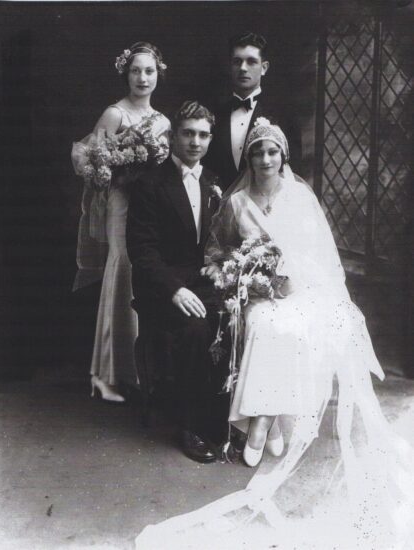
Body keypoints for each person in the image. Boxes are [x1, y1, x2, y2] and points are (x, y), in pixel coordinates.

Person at [135, 118, 414, 549]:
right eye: (257, 153)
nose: (264, 159)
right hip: (257, 296)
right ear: (248, 159)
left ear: (283, 157)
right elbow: (217, 251)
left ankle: (264, 423)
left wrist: (292, 280)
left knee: (295, 325)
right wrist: (243, 276)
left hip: (299, 291)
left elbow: (319, 257)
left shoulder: (301, 198)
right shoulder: (236, 202)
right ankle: (265, 423)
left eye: (272, 152)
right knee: (266, 325)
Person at [71, 43, 170, 402]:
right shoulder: (115, 113)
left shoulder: (163, 122)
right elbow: (90, 160)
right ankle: (105, 374)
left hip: (150, 209)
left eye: (149, 71)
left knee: (144, 277)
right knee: (121, 271)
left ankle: (140, 370)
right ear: (125, 73)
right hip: (121, 203)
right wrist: (118, 166)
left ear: (158, 74)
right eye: (135, 71)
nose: (142, 78)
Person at [126, 101, 223, 463]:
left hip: (202, 282)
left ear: (210, 139)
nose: (195, 141)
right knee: (196, 330)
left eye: (202, 135)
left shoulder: (212, 181)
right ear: (172, 136)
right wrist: (174, 290)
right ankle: (190, 426)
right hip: (161, 288)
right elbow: (142, 250)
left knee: (240, 318)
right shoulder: (149, 184)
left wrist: (219, 270)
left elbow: (217, 242)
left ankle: (224, 417)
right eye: (188, 133)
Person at [205, 31, 300, 190]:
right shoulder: (214, 115)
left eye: (251, 62)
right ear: (230, 66)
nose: (243, 68)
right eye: (237, 61)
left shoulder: (282, 114)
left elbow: (294, 166)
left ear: (264, 68)